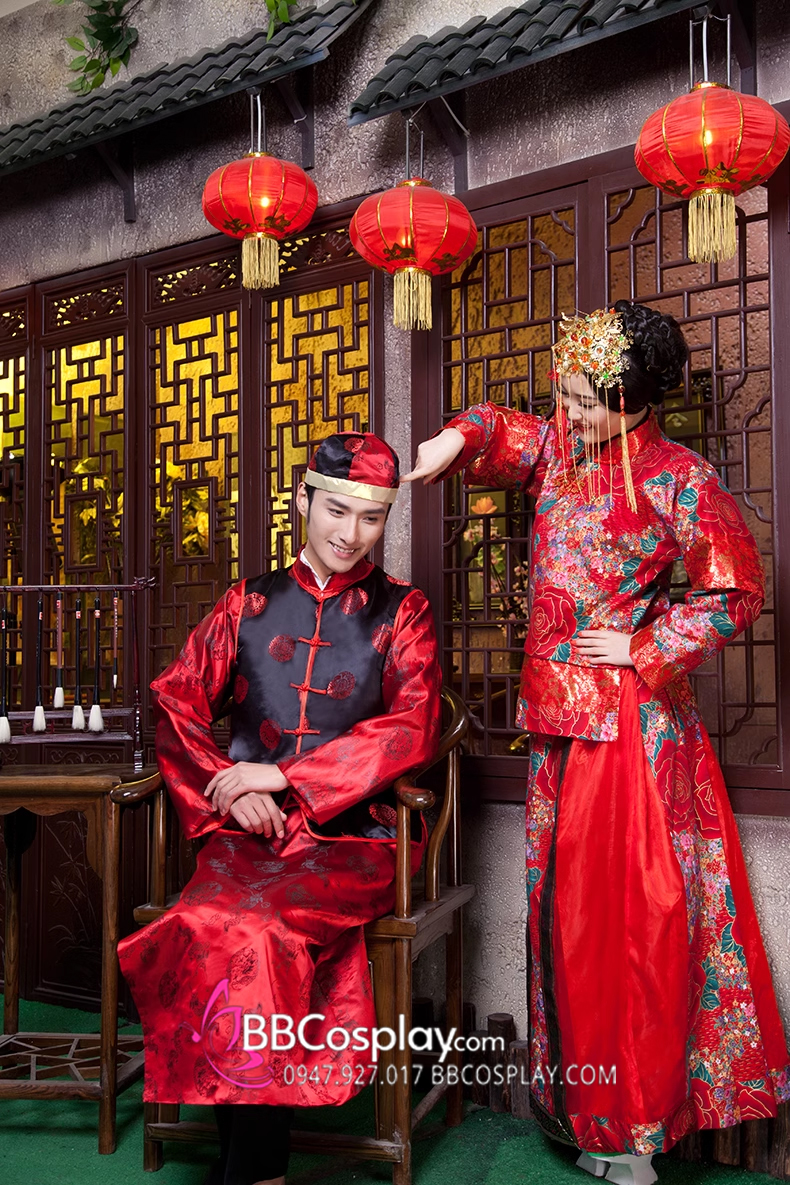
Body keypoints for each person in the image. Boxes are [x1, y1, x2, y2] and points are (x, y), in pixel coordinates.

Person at [403, 301, 790, 1185]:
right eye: (565, 394)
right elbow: (498, 427)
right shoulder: (558, 451)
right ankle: (593, 1112)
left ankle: (637, 1130)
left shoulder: (679, 477)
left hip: (629, 734)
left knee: (632, 929)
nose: (566, 412)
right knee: (570, 929)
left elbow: (735, 590)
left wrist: (645, 645)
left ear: (630, 400)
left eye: (583, 400)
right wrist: (453, 439)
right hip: (558, 729)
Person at [118, 431, 442, 1185]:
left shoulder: (405, 611)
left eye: (370, 518)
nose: (350, 534)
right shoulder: (247, 602)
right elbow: (175, 699)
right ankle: (256, 1165)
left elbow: (411, 727)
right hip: (246, 835)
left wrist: (285, 779)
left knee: (258, 930)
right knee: (204, 919)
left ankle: (253, 1167)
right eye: (336, 511)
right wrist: (227, 789)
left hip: (358, 836)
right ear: (302, 500)